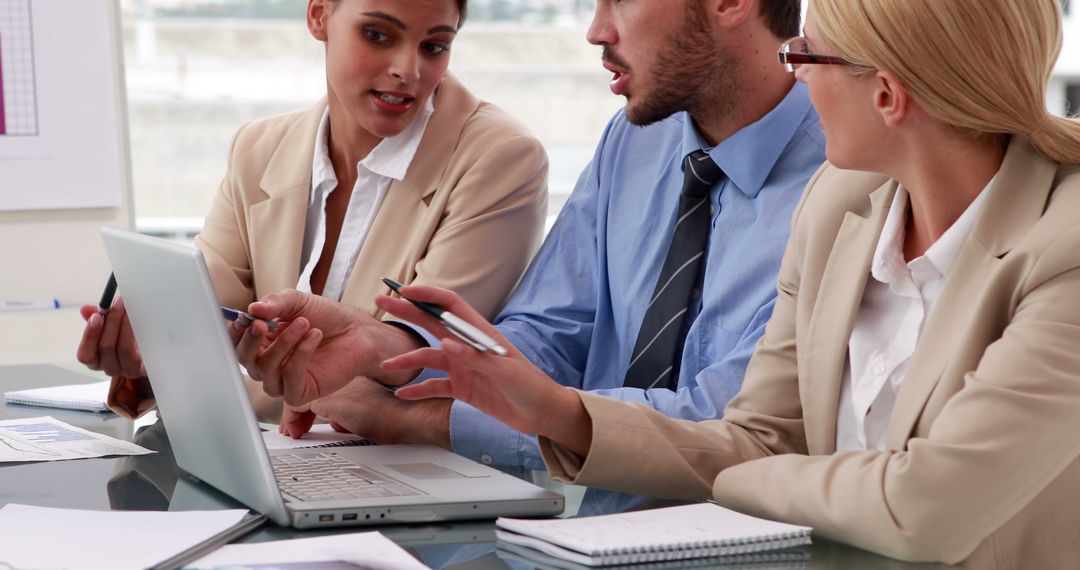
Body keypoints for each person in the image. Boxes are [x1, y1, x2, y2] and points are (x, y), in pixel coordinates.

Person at [243, 0, 1080, 565]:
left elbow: (910, 497)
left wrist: (435, 422)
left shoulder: (1051, 243)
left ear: (889, 93)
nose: (595, 27)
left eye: (810, 55)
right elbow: (751, 429)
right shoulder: (847, 201)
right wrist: (405, 357)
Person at [236, 0, 826, 480]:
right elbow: (549, 336)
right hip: (579, 530)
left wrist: (417, 422)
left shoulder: (844, 186)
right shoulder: (634, 140)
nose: (597, 30)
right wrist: (387, 352)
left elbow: (725, 426)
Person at [75, 0, 548, 420]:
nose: (409, 69)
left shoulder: (500, 158)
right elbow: (201, 323)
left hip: (402, 471)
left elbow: (418, 358)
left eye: (434, 46)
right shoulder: (258, 149)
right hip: (271, 462)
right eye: (378, 35)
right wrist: (150, 350)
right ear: (319, 14)